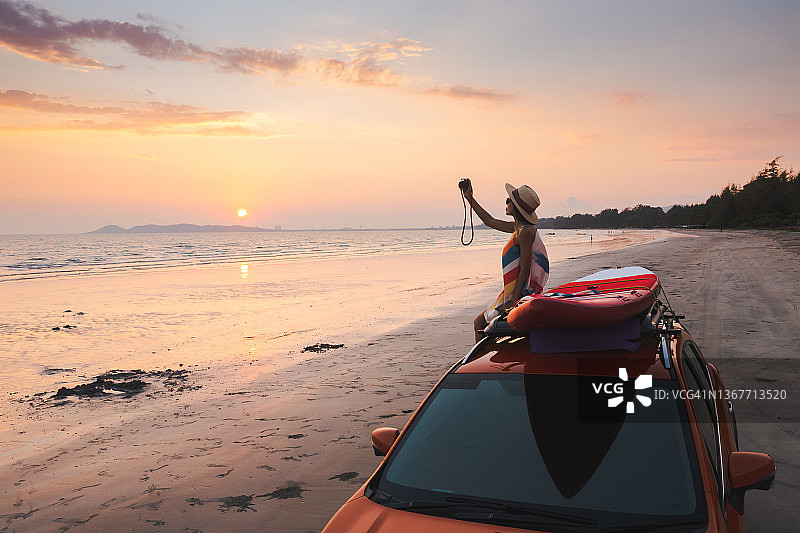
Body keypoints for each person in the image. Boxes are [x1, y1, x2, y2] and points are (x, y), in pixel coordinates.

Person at [463, 181, 549, 342]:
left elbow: (525, 269)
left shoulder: (526, 232)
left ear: (517, 206)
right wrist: (470, 198)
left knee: (479, 324)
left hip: (520, 292)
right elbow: (489, 221)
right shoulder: (518, 228)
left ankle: (482, 362)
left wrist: (513, 301)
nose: (506, 202)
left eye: (508, 200)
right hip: (512, 291)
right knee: (479, 323)